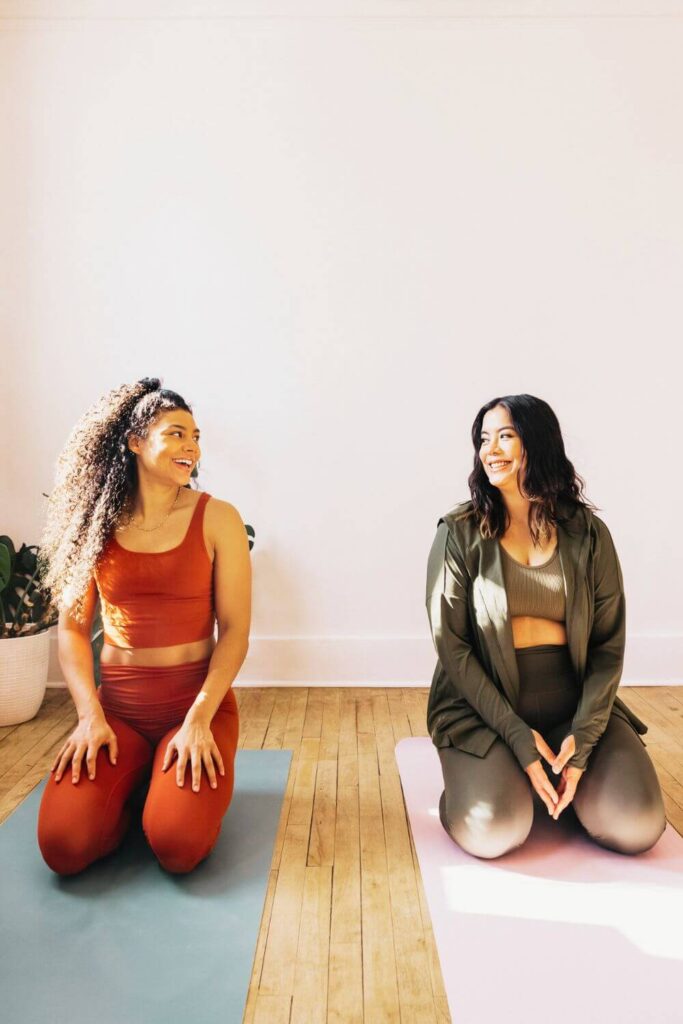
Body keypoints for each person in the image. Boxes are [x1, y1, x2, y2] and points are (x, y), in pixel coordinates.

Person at [426, 394, 665, 859]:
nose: (490, 449)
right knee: (494, 830)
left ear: (538, 443)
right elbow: (452, 648)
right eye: (483, 438)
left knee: (637, 826)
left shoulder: (588, 533)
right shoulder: (458, 532)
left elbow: (607, 645)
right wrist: (514, 732)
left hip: (572, 703)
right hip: (483, 707)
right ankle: (474, 785)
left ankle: (559, 778)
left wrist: (587, 732)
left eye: (505, 436)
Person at [37, 378, 251, 875]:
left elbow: (236, 630)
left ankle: (164, 797)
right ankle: (138, 788)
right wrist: (90, 716)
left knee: (177, 846)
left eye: (195, 437)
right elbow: (70, 631)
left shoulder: (218, 518)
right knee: (62, 846)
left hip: (196, 708)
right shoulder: (95, 525)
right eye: (176, 434)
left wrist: (199, 719)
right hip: (119, 714)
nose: (191, 447)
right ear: (135, 441)